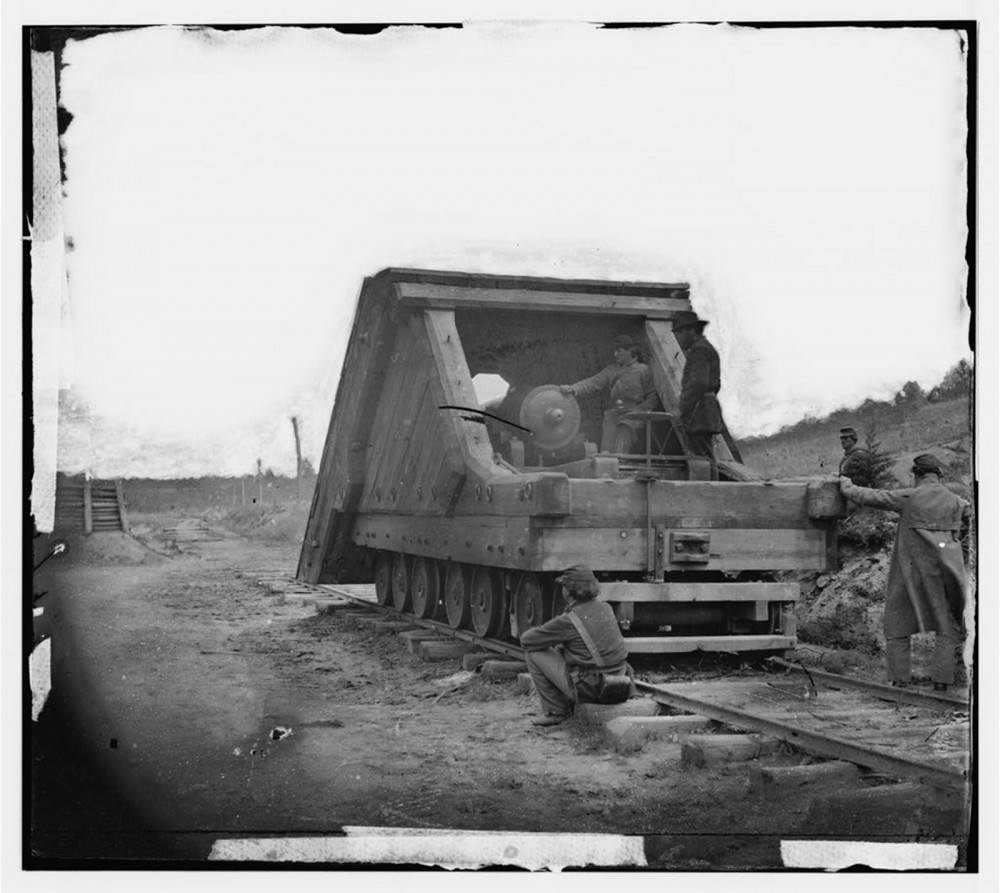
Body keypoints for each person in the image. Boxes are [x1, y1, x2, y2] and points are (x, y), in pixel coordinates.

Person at [839, 454, 971, 691]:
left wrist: (845, 485)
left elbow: (869, 496)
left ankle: (900, 680)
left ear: (917, 474)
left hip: (910, 573)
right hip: (945, 572)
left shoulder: (909, 497)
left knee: (898, 620)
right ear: (938, 475)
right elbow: (967, 528)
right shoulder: (957, 502)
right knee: (945, 625)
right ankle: (941, 683)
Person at [519, 565, 633, 727]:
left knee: (533, 654)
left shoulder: (569, 620)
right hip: (622, 683)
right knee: (565, 650)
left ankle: (556, 711)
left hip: (594, 688)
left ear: (568, 591)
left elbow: (526, 640)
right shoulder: (606, 608)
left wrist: (553, 636)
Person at [559, 334, 659, 454]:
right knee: (607, 444)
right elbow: (593, 382)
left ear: (630, 351)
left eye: (619, 351)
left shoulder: (644, 370)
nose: (615, 354)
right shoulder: (612, 370)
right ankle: (606, 463)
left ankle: (619, 460)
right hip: (615, 414)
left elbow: (652, 396)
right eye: (614, 351)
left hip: (636, 415)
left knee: (624, 430)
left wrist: (639, 411)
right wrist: (573, 388)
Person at [672, 311, 723, 479]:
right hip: (705, 409)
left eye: (679, 333)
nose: (678, 338)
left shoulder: (699, 351)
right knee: (706, 456)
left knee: (703, 459)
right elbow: (714, 384)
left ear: (691, 331)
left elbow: (697, 383)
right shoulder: (705, 348)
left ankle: (711, 493)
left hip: (699, 411)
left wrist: (682, 408)